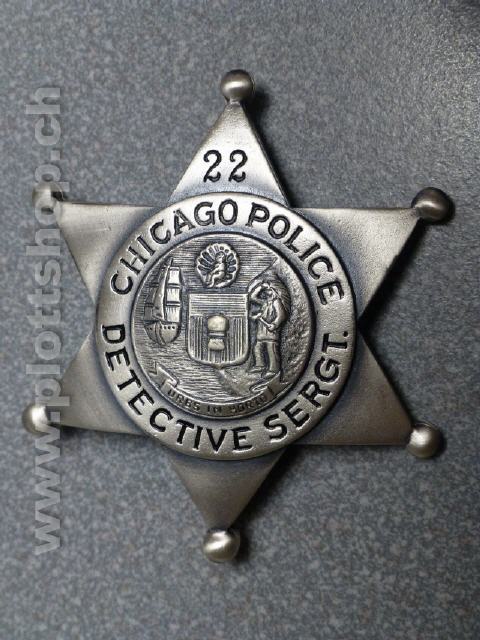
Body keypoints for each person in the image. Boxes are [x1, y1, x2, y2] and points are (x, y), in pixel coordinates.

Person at [249, 279, 289, 378]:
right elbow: (252, 297)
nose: (267, 292)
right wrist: (260, 287)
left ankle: (273, 369)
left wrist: (274, 324)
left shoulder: (276, 302)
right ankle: (260, 365)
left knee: (271, 349)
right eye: (266, 291)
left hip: (271, 331)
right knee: (257, 347)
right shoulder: (265, 302)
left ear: (274, 291)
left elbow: (281, 316)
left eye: (269, 290)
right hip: (261, 331)